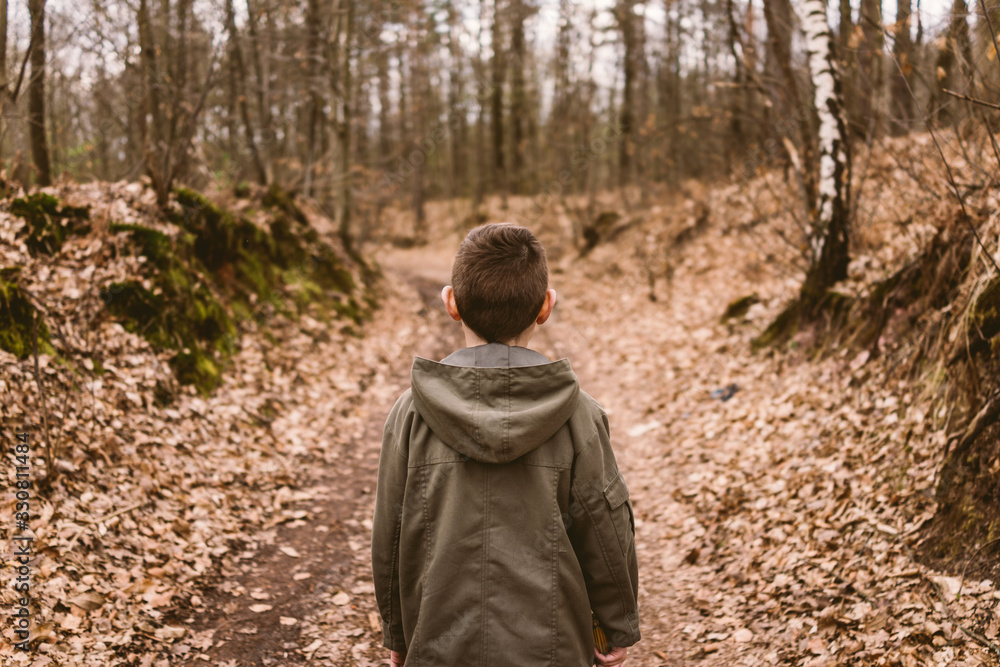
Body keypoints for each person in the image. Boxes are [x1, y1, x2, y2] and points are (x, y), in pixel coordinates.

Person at [371, 223, 640, 666]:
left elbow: (391, 534)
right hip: (554, 650)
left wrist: (398, 635)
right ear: (545, 307)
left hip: (440, 647)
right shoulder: (580, 416)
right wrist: (617, 623)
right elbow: (605, 525)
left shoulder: (410, 414)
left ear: (451, 303)